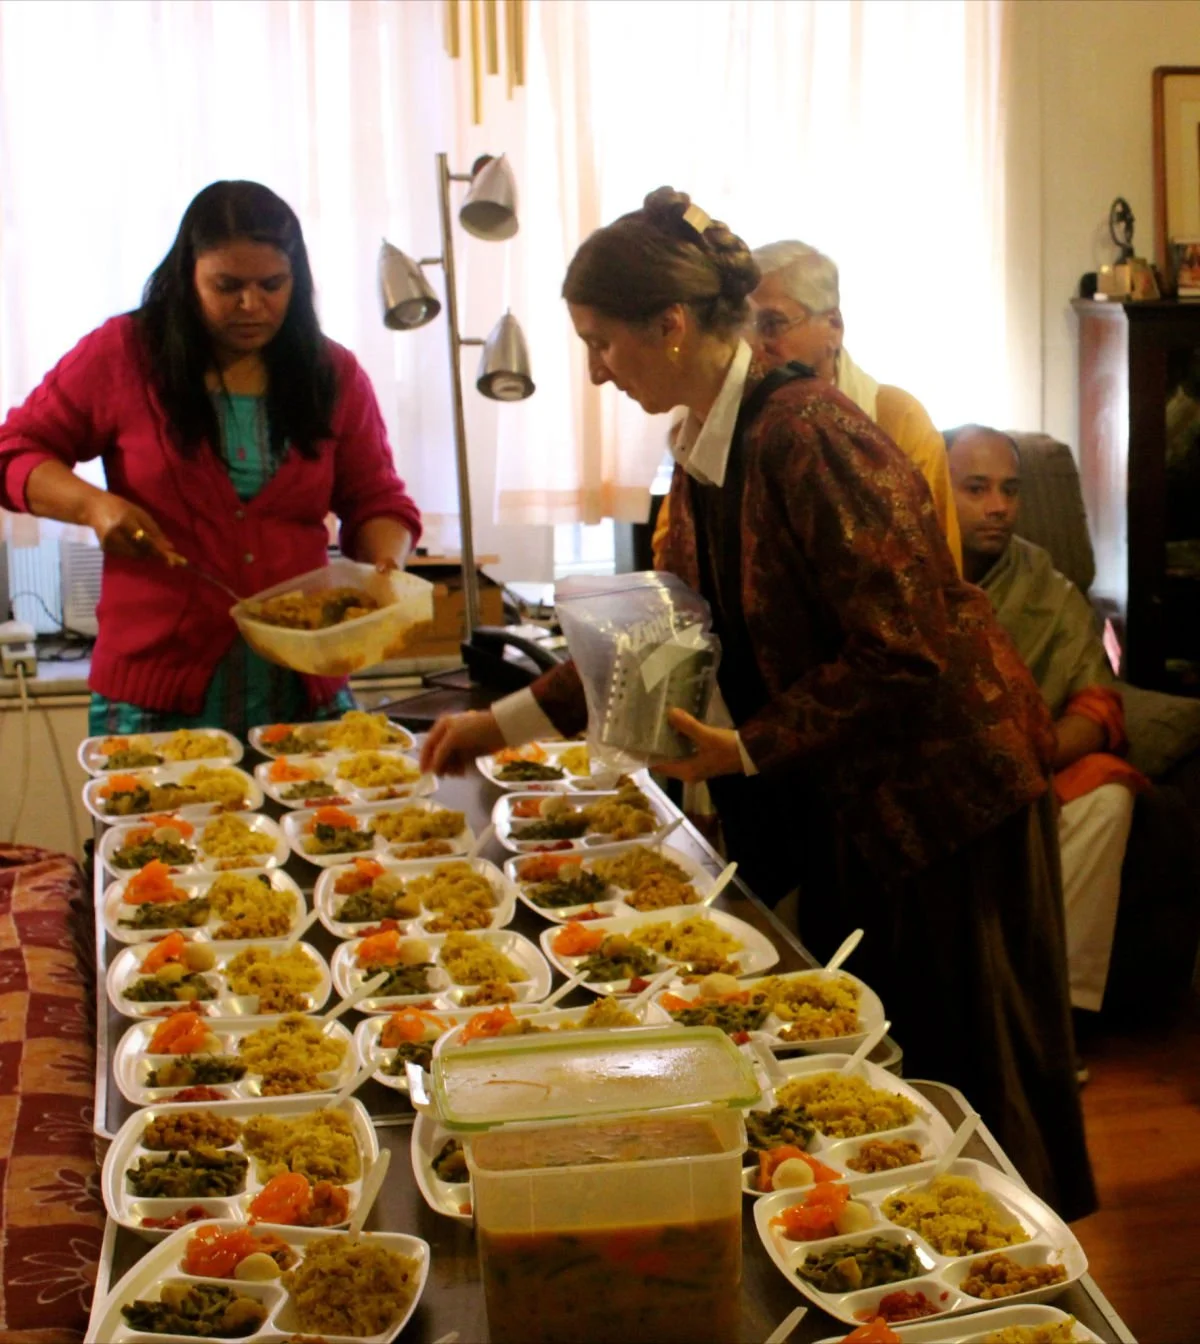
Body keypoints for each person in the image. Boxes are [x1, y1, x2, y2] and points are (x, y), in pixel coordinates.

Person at [422, 187, 1095, 1220]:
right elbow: (659, 625)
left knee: (968, 1084)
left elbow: (906, 647)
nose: (598, 369)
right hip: (860, 803)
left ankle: (1014, 1291)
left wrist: (747, 747)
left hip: (947, 810)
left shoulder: (812, 433)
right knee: (875, 1079)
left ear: (675, 327)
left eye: (603, 344)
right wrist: (500, 723)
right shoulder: (705, 437)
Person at [0, 181, 421, 738]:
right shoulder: (124, 353)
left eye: (272, 285)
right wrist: (95, 508)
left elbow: (377, 500)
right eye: (227, 287)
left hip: (301, 687)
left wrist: (384, 567)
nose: (252, 305)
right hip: (155, 691)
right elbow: (15, 453)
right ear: (186, 277)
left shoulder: (332, 373)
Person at [946, 424, 1148, 1016]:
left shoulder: (1047, 585)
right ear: (936, 488)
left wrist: (1026, 762)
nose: (999, 507)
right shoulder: (905, 574)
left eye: (1011, 491)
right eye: (976, 489)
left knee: (1107, 798)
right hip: (937, 781)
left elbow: (1097, 702)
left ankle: (1052, 1013)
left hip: (1029, 774)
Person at [653, 239, 961, 572]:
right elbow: (675, 557)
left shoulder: (895, 418)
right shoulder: (716, 421)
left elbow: (935, 563)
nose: (754, 343)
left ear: (834, 326)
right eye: (742, 327)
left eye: (772, 324)